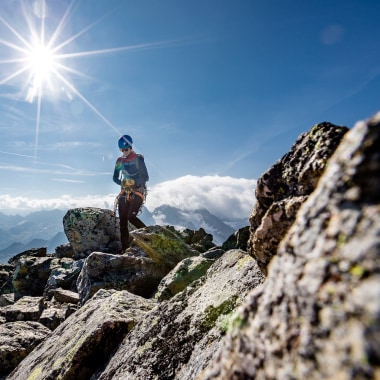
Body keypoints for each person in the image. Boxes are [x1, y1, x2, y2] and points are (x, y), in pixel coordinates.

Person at [113, 134, 149, 250]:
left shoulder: (138, 159)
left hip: (138, 190)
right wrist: (122, 184)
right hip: (125, 191)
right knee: (122, 219)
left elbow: (145, 177)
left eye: (126, 149)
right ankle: (125, 247)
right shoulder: (119, 161)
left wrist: (132, 182)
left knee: (131, 217)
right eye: (122, 150)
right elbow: (115, 178)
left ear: (131, 147)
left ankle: (150, 236)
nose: (124, 152)